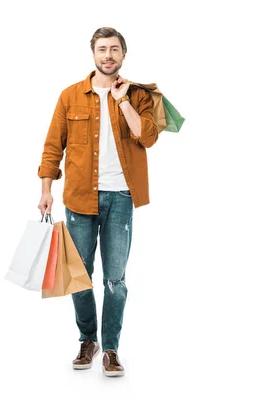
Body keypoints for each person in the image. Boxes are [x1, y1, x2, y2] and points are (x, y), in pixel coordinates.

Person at [36, 27, 159, 377]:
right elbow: (51, 147)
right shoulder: (70, 95)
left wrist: (121, 100)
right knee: (79, 276)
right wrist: (45, 190)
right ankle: (87, 340)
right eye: (102, 49)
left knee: (115, 280)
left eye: (114, 49)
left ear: (123, 55)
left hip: (121, 197)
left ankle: (111, 348)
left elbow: (146, 137)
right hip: (78, 197)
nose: (108, 55)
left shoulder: (138, 96)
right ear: (93, 54)